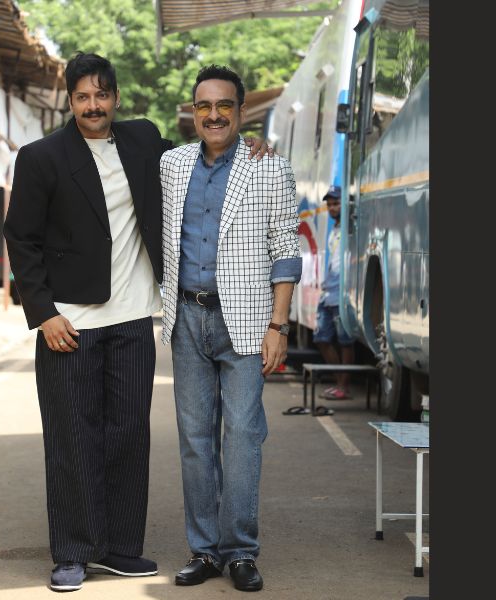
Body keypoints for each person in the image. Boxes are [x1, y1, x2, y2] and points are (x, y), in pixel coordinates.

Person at [3, 52, 270, 593]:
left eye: (101, 95)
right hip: (69, 324)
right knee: (73, 440)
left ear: (116, 98)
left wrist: (250, 145)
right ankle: (73, 552)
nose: (93, 105)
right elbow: (21, 239)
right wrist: (44, 314)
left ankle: (121, 548)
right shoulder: (41, 157)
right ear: (71, 101)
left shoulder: (144, 140)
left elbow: (204, 151)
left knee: (128, 437)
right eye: (83, 97)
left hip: (133, 320)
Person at [159, 64, 301, 592]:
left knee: (242, 436)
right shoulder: (171, 165)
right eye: (204, 106)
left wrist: (278, 325)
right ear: (193, 112)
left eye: (224, 105)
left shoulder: (270, 167)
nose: (214, 115)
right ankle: (204, 550)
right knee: (196, 440)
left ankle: (240, 551)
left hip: (245, 319)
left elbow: (285, 247)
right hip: (186, 318)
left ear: (241, 111)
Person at [313, 185, 355, 400]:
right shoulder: (335, 229)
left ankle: (343, 387)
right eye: (329, 204)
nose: (332, 208)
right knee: (321, 338)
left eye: (336, 203)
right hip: (328, 291)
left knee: (345, 341)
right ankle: (340, 383)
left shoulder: (351, 227)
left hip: (342, 292)